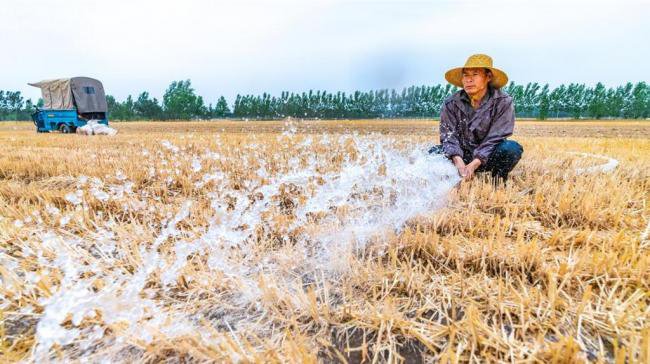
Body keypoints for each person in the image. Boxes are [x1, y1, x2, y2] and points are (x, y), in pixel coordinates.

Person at [430, 54, 523, 184]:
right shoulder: (451, 103)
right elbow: (448, 136)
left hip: (489, 156)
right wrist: (458, 161)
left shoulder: (503, 102)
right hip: (462, 155)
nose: (469, 80)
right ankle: (454, 177)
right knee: (432, 153)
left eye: (475, 74)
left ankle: (497, 181)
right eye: (465, 75)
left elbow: (495, 138)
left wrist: (474, 164)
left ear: (488, 77)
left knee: (511, 149)